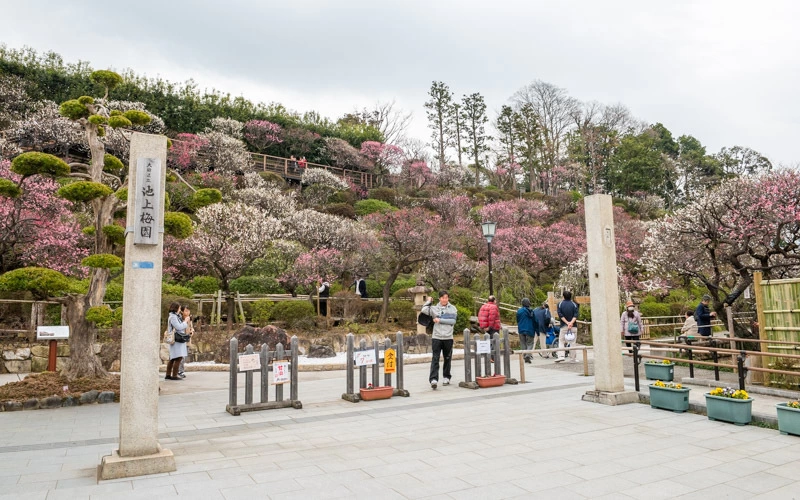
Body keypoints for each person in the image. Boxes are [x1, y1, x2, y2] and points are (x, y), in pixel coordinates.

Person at [421, 291, 457, 389]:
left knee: (447, 358)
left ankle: (446, 376)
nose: (445, 299)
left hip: (448, 337)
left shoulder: (452, 308)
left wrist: (439, 320)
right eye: (443, 298)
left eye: (446, 297)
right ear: (439, 298)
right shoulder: (434, 308)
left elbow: (453, 321)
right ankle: (433, 379)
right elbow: (424, 310)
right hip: (436, 337)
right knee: (435, 358)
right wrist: (428, 301)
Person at [165, 302, 191, 380]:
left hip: (176, 339)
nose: (180, 310)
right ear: (176, 308)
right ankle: (174, 375)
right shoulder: (173, 317)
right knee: (178, 357)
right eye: (179, 308)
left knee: (173, 357)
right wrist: (185, 321)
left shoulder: (175, 316)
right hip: (176, 339)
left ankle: (168, 374)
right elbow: (179, 327)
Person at [556, 291, 579, 363]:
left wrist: (567, 323)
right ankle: (573, 359)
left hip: (564, 326)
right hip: (573, 326)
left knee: (561, 341)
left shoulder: (560, 304)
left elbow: (560, 315)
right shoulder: (574, 304)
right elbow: (576, 315)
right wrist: (571, 323)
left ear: (563, 296)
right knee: (573, 342)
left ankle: (561, 356)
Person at [177, 305, 195, 379]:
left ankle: (181, 370)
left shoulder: (189, 319)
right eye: (186, 311)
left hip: (187, 339)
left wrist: (192, 331)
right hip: (181, 338)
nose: (187, 312)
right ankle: (179, 371)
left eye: (188, 311)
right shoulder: (180, 318)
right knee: (181, 356)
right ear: (182, 311)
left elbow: (191, 327)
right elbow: (180, 327)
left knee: (184, 356)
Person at [516, 298, 536, 363]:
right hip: (530, 329)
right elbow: (535, 321)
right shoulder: (531, 311)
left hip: (521, 329)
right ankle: (528, 355)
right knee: (530, 343)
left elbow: (518, 320)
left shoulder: (519, 311)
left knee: (523, 343)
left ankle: (525, 356)